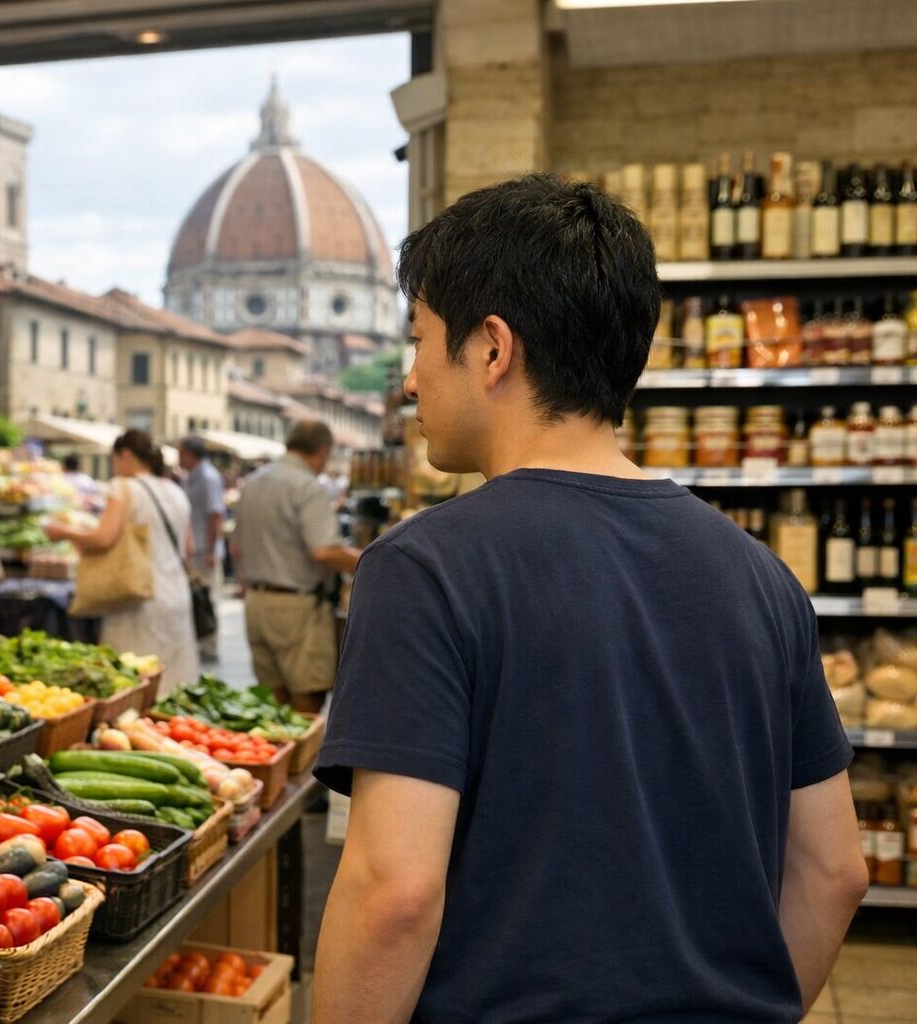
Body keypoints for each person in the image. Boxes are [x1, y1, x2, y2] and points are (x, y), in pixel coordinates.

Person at [312, 175, 866, 1024]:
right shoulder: (763, 579)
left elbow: (395, 891)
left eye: (419, 340)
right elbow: (835, 871)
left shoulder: (424, 570)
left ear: (493, 349)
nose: (411, 380)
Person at [46, 430, 196, 694]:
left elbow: (104, 538)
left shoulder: (124, 487)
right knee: (173, 683)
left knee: (135, 681)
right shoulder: (175, 490)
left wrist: (63, 532)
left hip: (137, 597)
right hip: (177, 595)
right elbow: (189, 547)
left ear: (125, 455)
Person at [232, 421, 360, 714]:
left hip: (256, 602)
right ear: (323, 450)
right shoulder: (307, 487)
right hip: (297, 608)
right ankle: (301, 762)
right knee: (306, 702)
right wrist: (372, 559)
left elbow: (236, 546)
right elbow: (323, 550)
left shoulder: (253, 482)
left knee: (271, 703)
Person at [178, 437, 227, 661]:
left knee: (207, 598)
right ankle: (204, 642)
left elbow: (215, 515)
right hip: (196, 550)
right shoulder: (193, 477)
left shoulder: (207, 478)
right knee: (200, 597)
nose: (179, 458)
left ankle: (210, 644)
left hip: (204, 551)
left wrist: (210, 550)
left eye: (180, 453)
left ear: (189, 453)